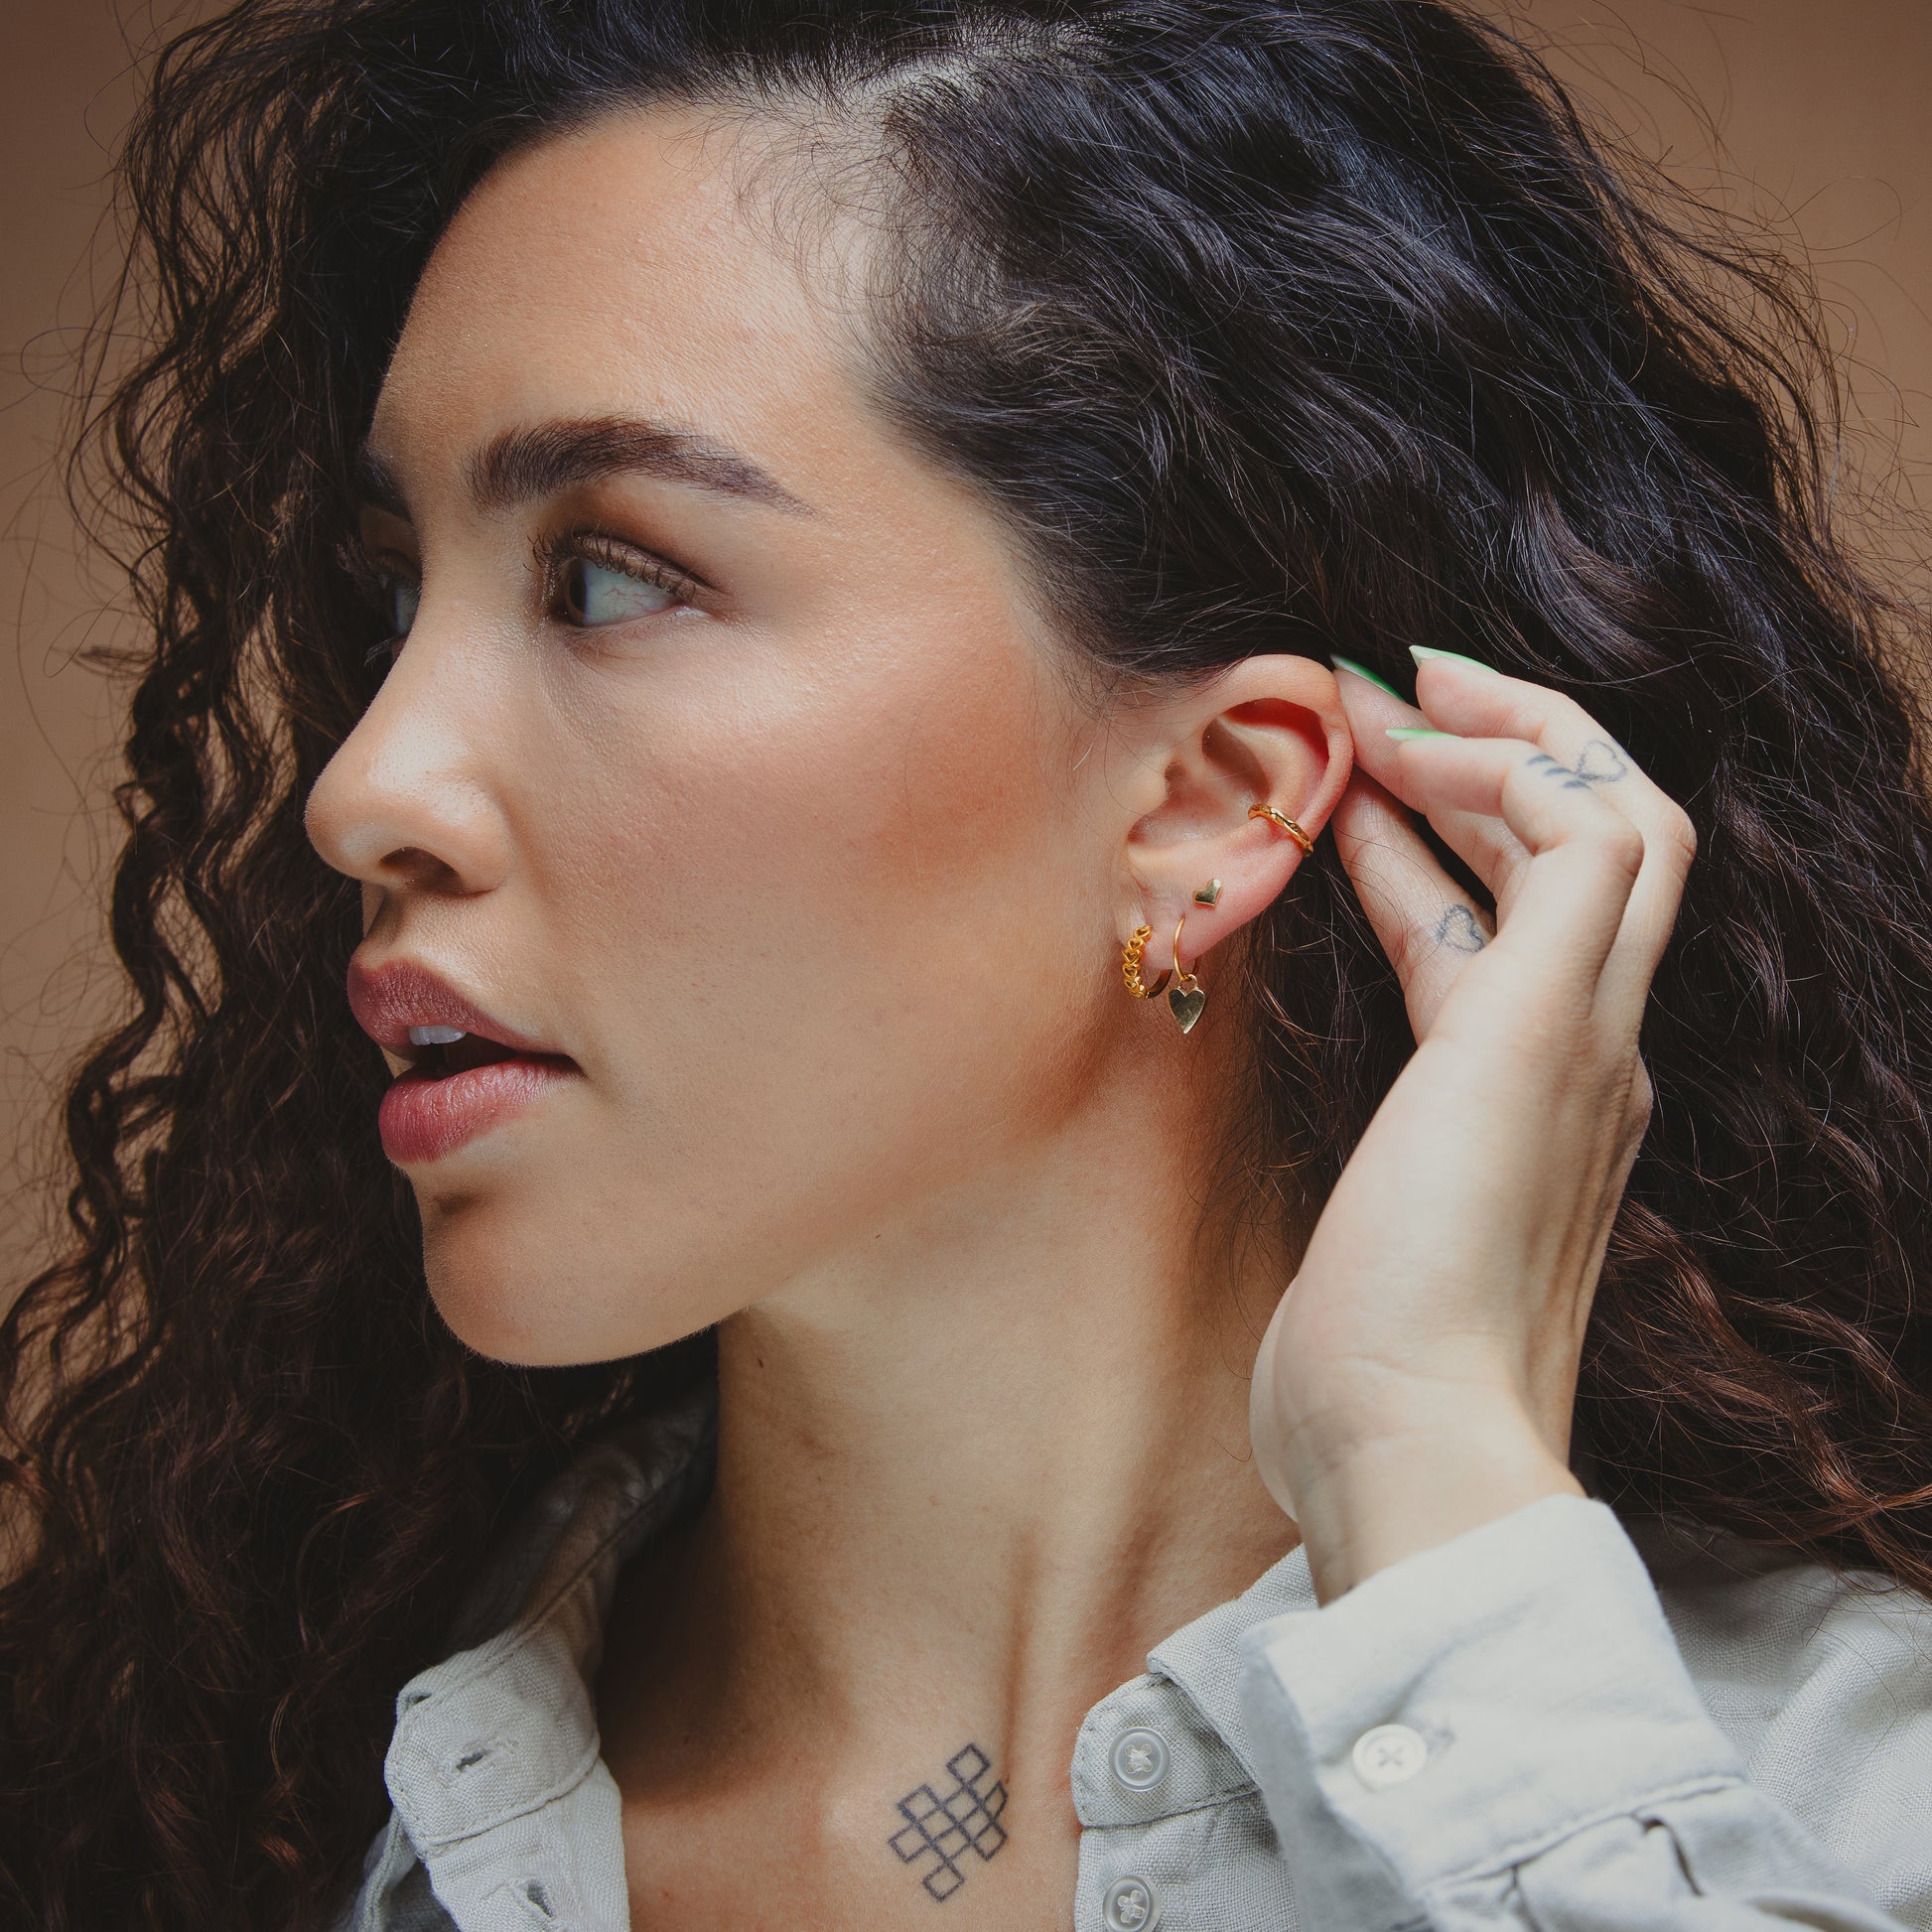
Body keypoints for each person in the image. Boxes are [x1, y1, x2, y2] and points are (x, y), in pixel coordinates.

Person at [4, 0, 1932, 1926]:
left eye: (605, 580)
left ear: (1209, 805)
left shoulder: (1844, 1806)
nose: (362, 787)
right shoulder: (189, 1791)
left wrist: (1421, 1458)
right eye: (390, 600)